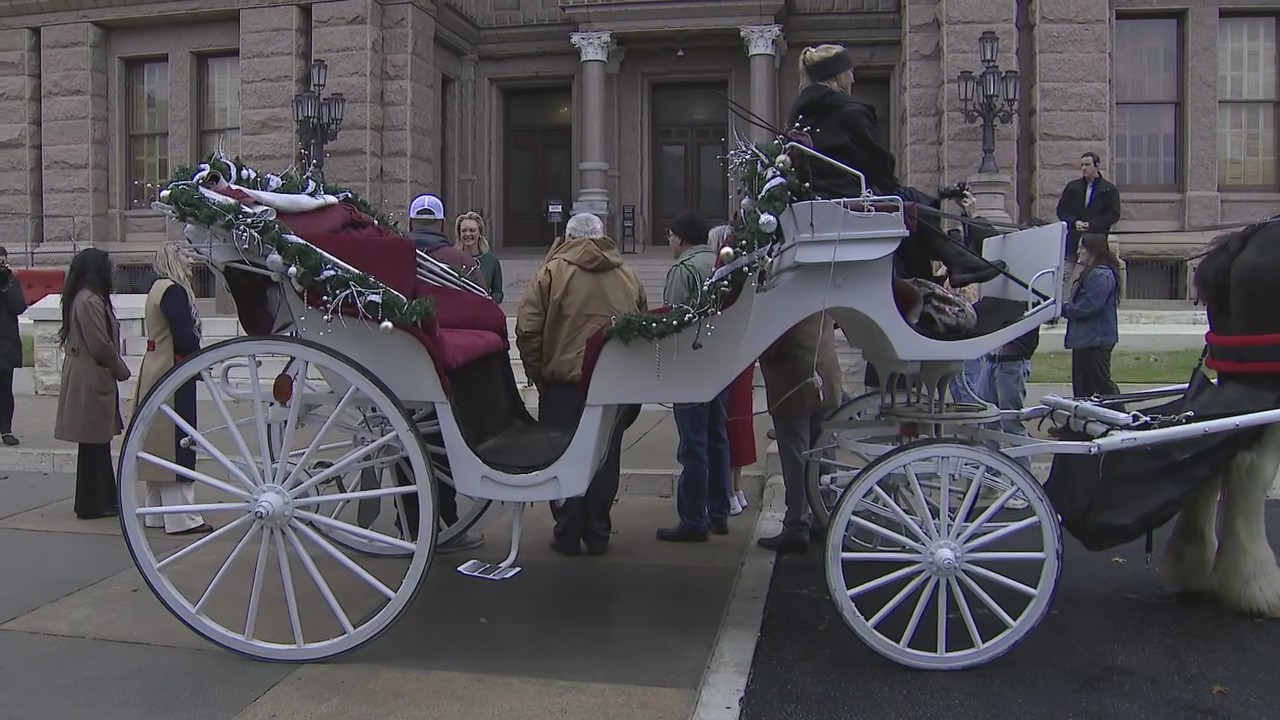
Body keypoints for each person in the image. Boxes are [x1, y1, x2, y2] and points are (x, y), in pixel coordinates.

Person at [788, 43, 1002, 288]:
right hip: (848, 200)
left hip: (825, 200)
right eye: (849, 71)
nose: (853, 77)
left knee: (911, 203)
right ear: (838, 76)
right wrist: (891, 185)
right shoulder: (848, 113)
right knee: (906, 201)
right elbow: (879, 166)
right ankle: (948, 266)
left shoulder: (802, 116)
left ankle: (954, 261)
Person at [515, 212, 645, 557]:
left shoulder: (551, 272)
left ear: (568, 237)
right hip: (611, 383)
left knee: (562, 458)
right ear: (603, 236)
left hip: (564, 384)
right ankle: (598, 531)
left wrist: (538, 371)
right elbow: (643, 327)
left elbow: (528, 328)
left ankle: (567, 530)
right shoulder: (627, 274)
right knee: (605, 459)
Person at [655, 212, 733, 542]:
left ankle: (692, 519)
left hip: (690, 365)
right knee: (717, 439)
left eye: (671, 236)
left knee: (693, 446)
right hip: (721, 362)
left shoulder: (683, 270)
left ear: (682, 239)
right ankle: (719, 512)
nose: (670, 242)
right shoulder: (722, 265)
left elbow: (672, 321)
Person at [131, 243, 212, 535]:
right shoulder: (174, 291)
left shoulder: (157, 288)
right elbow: (184, 335)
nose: (191, 260)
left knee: (159, 443)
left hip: (156, 366)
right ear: (172, 258)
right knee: (179, 441)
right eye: (185, 255)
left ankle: (156, 512)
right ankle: (181, 518)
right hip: (173, 370)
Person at [756, 312, 844, 553]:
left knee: (796, 457)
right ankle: (824, 514)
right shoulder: (823, 284)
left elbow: (771, 337)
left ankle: (796, 524)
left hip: (792, 376)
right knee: (824, 453)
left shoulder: (787, 287)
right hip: (826, 371)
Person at [54, 248, 131, 520]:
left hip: (89, 374)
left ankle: (98, 500)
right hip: (91, 377)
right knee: (94, 442)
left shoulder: (87, 298)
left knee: (95, 444)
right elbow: (100, 343)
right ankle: (94, 502)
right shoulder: (89, 301)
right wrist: (120, 369)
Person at [709, 224, 755, 516]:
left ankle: (729, 491)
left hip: (727, 356)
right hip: (742, 352)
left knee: (725, 426)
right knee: (738, 422)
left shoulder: (725, 276)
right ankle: (735, 489)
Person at [1058, 233, 1121, 408]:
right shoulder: (1091, 272)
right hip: (1085, 339)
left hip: (1096, 339)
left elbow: (1090, 306)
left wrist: (1062, 309)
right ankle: (1077, 426)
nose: (1078, 251)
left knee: (1102, 385)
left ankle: (1121, 419)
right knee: (1081, 387)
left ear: (1092, 250)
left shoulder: (1102, 274)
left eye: (1081, 247)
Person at [407, 193, 488, 292]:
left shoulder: (392, 257)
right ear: (443, 225)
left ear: (410, 224)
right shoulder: (463, 261)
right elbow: (484, 299)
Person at [1055, 152, 1121, 263]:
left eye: (1087, 165)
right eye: (1082, 165)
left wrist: (1092, 224)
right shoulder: (1073, 188)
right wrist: (1074, 222)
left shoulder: (1108, 189)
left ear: (1096, 165)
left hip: (1095, 242)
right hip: (1072, 241)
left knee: (1092, 271)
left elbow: (1113, 214)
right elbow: (1061, 211)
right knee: (1068, 272)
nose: (1084, 168)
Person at [0, 247, 28, 446]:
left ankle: (6, 429)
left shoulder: (11, 281)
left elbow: (19, 307)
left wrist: (6, 285)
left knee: (4, 389)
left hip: (5, 342)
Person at [454, 211, 504, 303]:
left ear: (480, 233)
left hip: (483, 311)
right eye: (464, 231)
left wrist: (491, 300)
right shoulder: (452, 258)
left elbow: (498, 292)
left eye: (472, 230)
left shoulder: (492, 260)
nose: (468, 234)